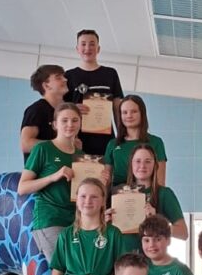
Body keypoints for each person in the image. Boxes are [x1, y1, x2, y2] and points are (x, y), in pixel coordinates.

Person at [18, 102, 81, 261]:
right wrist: (53, 176)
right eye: (64, 120)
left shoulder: (82, 156)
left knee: (78, 271)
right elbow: (22, 187)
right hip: (50, 219)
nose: (70, 125)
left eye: (74, 120)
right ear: (54, 124)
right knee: (64, 269)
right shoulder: (43, 149)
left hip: (75, 222)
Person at [111, 143, 187, 244]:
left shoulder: (164, 194)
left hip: (151, 255)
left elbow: (183, 233)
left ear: (154, 165)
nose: (142, 166)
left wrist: (157, 222)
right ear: (131, 164)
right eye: (138, 161)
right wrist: (106, 222)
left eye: (147, 161)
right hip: (123, 256)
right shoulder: (118, 193)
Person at [64, 29, 124, 157]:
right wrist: (73, 108)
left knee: (105, 174)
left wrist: (122, 136)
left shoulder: (110, 74)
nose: (87, 48)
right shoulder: (69, 76)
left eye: (92, 44)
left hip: (105, 138)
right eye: (83, 44)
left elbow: (117, 106)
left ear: (98, 48)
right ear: (77, 48)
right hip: (77, 138)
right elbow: (61, 109)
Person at [103, 95, 167, 186]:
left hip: (146, 196)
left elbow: (160, 182)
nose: (129, 116)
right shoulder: (113, 144)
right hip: (118, 195)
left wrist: (152, 199)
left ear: (142, 113)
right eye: (124, 112)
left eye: (134, 111)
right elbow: (107, 180)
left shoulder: (156, 142)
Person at [20, 65, 68, 159]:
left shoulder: (67, 110)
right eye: (58, 77)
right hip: (42, 172)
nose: (65, 80)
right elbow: (26, 144)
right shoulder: (36, 110)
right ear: (46, 85)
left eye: (64, 76)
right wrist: (60, 144)